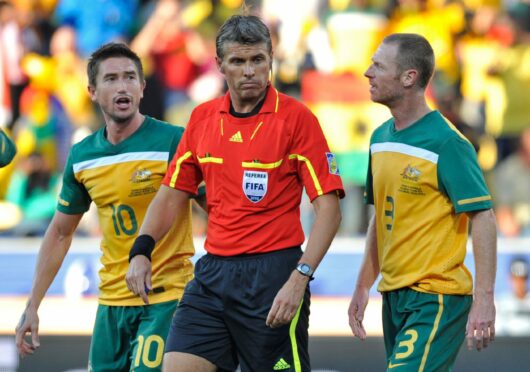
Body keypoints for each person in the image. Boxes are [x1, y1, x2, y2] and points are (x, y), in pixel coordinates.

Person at [126, 13, 344, 372]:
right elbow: (171, 193)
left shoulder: (297, 119)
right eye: (238, 61)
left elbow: (330, 210)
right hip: (213, 275)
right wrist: (141, 249)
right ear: (220, 65)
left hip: (273, 277)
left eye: (257, 60)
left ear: (271, 60)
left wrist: (299, 279)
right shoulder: (202, 118)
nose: (249, 71)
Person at [15, 42, 198, 371]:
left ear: (142, 88)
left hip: (166, 297)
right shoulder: (83, 156)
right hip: (110, 303)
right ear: (92, 91)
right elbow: (59, 233)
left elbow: (214, 205)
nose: (122, 85)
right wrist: (33, 304)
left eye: (130, 77)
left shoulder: (174, 141)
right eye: (111, 79)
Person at [348, 33, 497, 371]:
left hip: (436, 297)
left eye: (377, 66)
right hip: (394, 296)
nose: (367, 73)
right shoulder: (380, 137)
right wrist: (362, 286)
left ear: (409, 77)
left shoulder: (448, 143)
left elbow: (483, 217)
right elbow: (382, 216)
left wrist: (484, 299)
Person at [496, 257, 530, 336]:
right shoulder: (501, 303)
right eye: (516, 279)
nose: (519, 283)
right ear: (509, 278)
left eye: (522, 279)